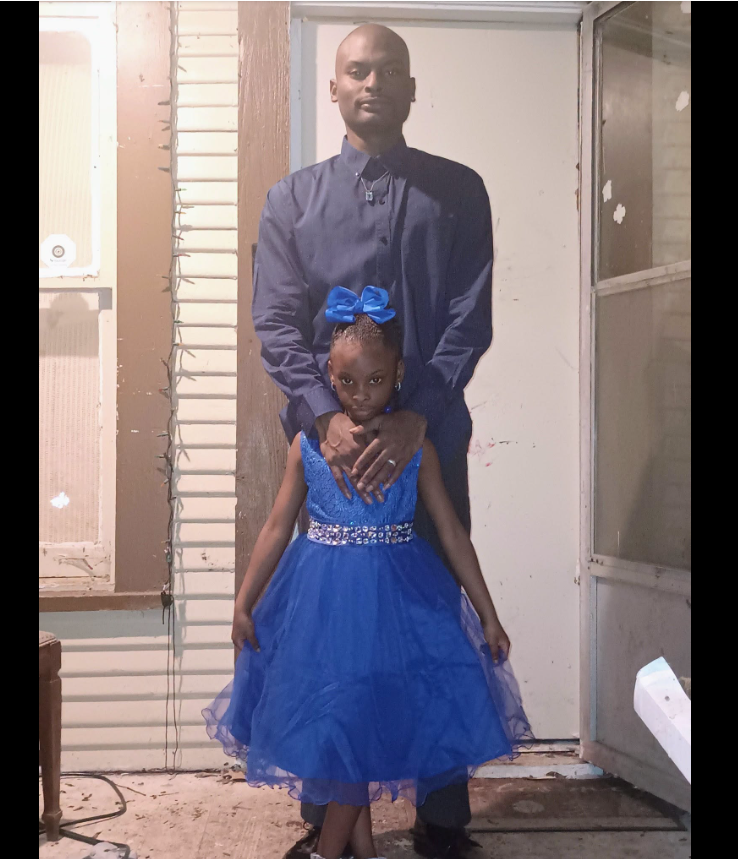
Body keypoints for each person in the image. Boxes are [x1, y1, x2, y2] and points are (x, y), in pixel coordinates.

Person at [251, 24, 495, 857]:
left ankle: (442, 818)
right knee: (331, 635)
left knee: (432, 623)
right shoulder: (292, 201)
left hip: (429, 443)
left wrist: (415, 411)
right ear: (334, 88)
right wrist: (328, 417)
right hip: (327, 457)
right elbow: (276, 324)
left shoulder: (459, 192)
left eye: (390, 71)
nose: (372, 83)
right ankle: (329, 816)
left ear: (411, 89)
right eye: (357, 69)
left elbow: (470, 316)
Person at [204, 290, 531, 859]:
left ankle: (332, 853)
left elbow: (451, 533)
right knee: (341, 732)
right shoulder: (308, 446)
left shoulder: (416, 450)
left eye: (376, 381)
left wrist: (488, 614)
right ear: (329, 375)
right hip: (319, 604)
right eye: (348, 382)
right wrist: (244, 600)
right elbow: (278, 527)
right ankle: (361, 851)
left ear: (399, 374)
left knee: (355, 730)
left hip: (398, 603)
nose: (361, 395)